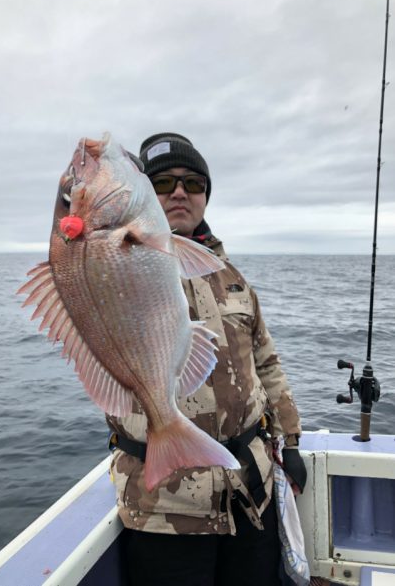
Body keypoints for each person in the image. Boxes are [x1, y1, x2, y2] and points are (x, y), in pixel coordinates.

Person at [107, 133, 307, 586]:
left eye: (193, 182)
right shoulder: (121, 263)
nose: (180, 191)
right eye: (162, 182)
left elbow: (267, 364)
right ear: (141, 193)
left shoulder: (232, 277)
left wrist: (290, 442)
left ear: (206, 196)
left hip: (249, 496)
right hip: (166, 505)